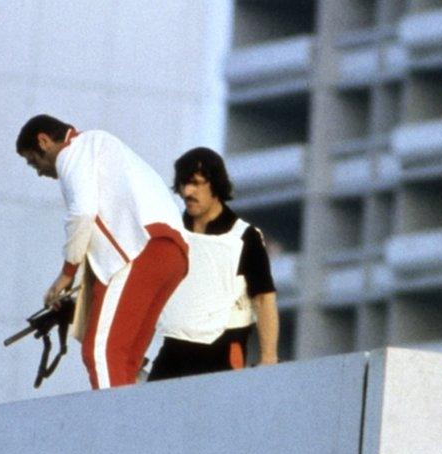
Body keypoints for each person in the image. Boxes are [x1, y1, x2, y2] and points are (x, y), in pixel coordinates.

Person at [16, 114, 188, 390]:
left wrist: (66, 275)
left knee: (101, 352)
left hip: (141, 250)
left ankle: (116, 430)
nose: (38, 172)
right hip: (171, 254)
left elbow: (83, 213)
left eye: (33, 161)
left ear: (44, 141)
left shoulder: (74, 152)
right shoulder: (100, 146)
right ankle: (139, 417)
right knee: (128, 358)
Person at [150, 147, 278, 381]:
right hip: (173, 349)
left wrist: (269, 358)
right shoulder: (172, 234)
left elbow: (264, 299)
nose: (188, 191)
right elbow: (150, 294)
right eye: (183, 184)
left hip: (223, 351)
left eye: (197, 183)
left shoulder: (244, 238)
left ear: (216, 185)